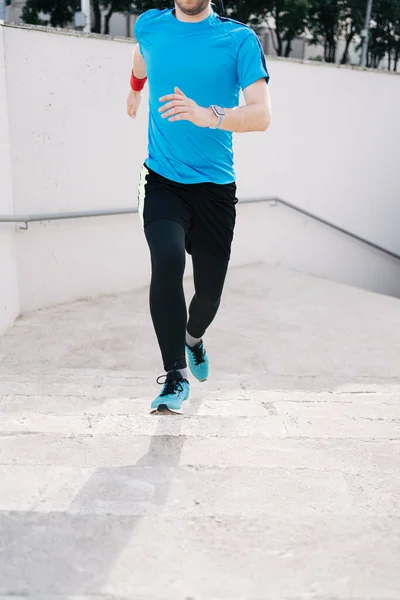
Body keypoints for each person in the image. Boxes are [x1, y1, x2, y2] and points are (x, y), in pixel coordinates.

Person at [127, 0, 271, 414]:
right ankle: (175, 376)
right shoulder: (150, 25)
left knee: (207, 296)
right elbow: (141, 58)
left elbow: (261, 115)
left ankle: (193, 339)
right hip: (163, 180)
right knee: (167, 259)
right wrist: (135, 90)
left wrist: (209, 116)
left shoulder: (239, 39)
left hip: (215, 190)